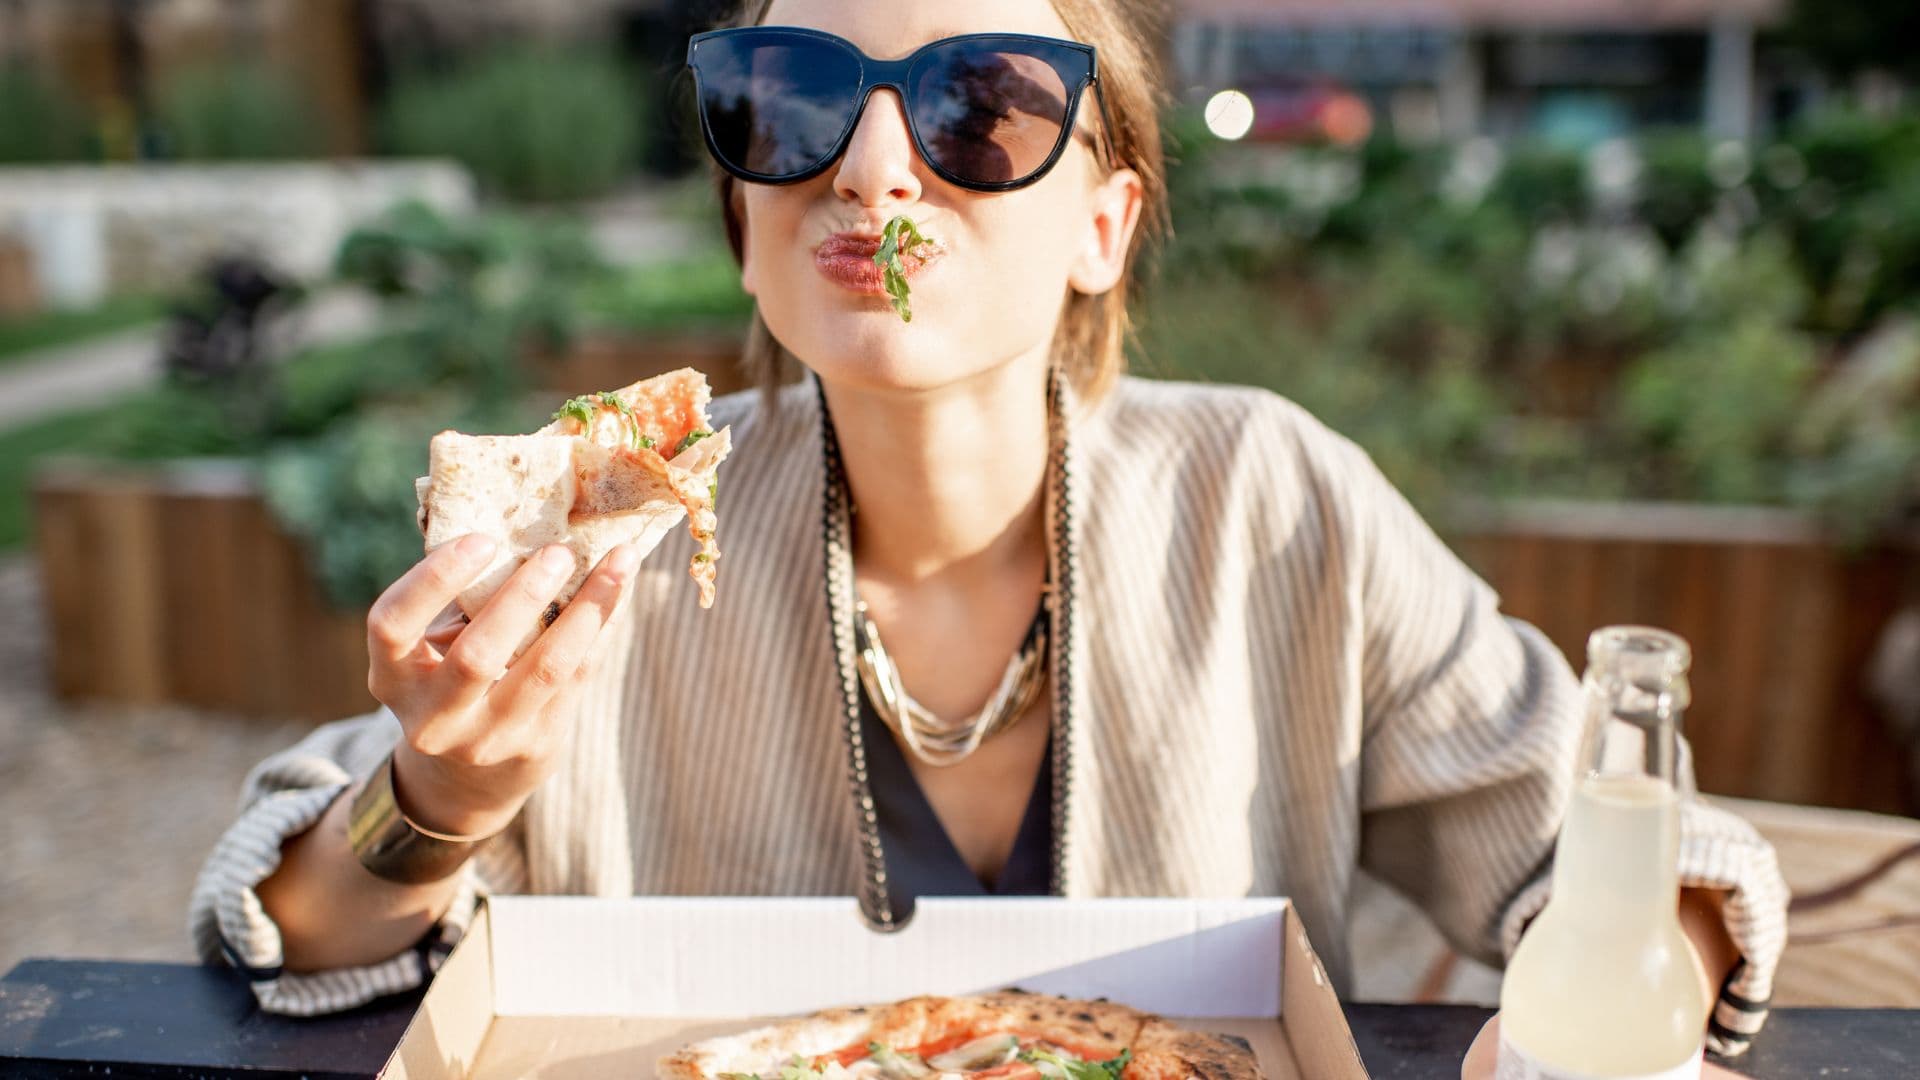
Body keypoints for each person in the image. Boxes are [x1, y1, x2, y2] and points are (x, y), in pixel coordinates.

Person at [190, 0, 1788, 1069]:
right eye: (791, 103)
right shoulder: (614, 523)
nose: (871, 169)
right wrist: (446, 797)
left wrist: (1600, 1025)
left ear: (1106, 224)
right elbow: (295, 927)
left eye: (981, 110)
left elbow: (1630, 869)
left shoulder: (1272, 503)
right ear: (744, 215)